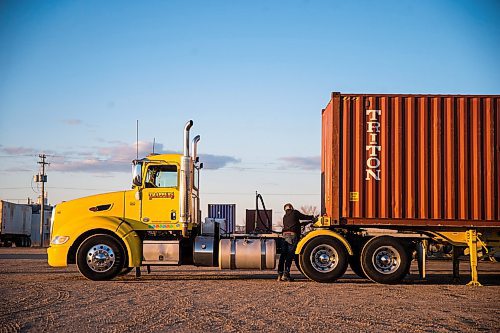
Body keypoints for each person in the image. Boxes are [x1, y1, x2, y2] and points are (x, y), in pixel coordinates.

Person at [277, 203, 316, 282]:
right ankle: (286, 274)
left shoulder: (285, 217)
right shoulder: (295, 213)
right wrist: (312, 218)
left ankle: (279, 275)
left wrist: (306, 223)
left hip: (284, 235)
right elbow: (303, 217)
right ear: (291, 207)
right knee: (290, 255)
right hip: (292, 235)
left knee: (283, 255)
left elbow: (296, 223)